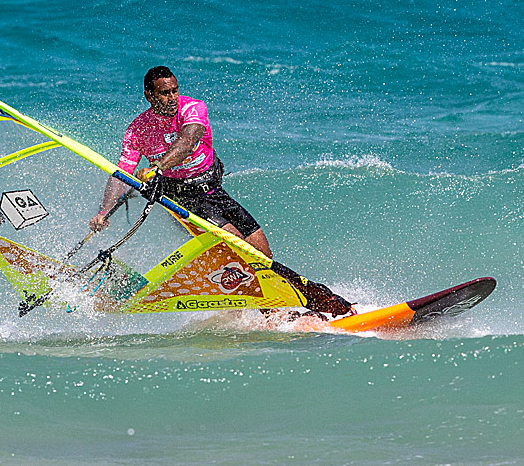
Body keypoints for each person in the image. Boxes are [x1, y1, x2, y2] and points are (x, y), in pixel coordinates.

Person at [89, 66, 354, 318]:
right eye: (164, 93)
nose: (172, 98)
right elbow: (121, 174)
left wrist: (157, 166)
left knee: (262, 252)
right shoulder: (137, 130)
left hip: (214, 190)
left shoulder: (192, 108)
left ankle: (256, 309)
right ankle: (273, 314)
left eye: (174, 90)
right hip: (182, 198)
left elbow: (188, 141)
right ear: (149, 95)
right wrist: (103, 212)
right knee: (239, 248)